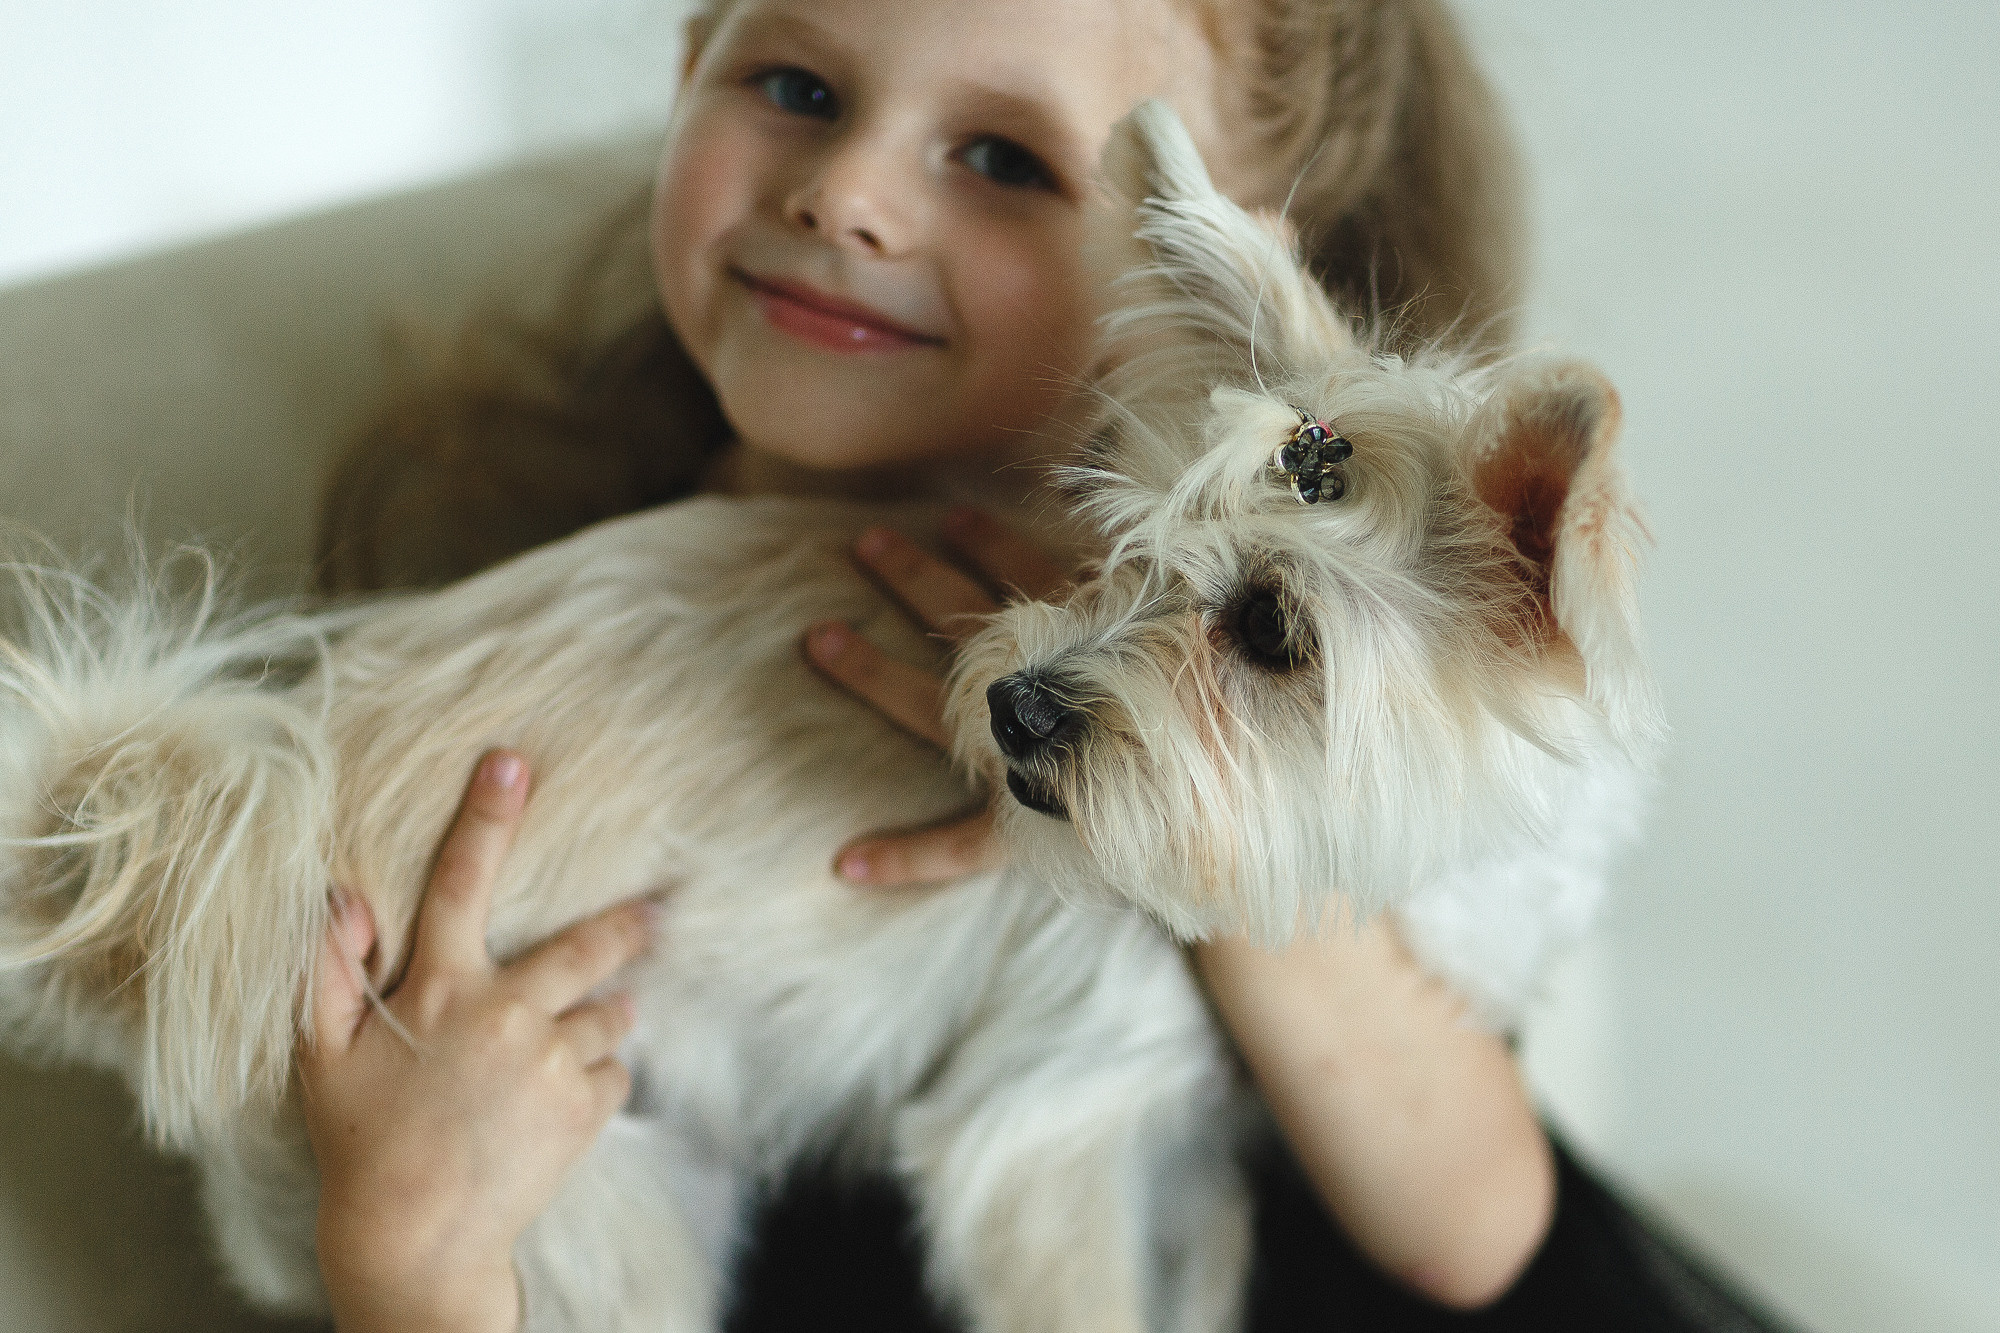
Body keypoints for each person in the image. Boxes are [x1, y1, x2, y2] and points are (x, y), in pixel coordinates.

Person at [296, 1, 1765, 1330]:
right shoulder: (531, 652)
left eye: (1005, 160)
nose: (846, 197)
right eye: (799, 84)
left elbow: (1479, 1230)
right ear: (690, 63)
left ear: (1191, 257)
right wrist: (408, 1253)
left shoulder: (1375, 698)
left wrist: (1179, 828)